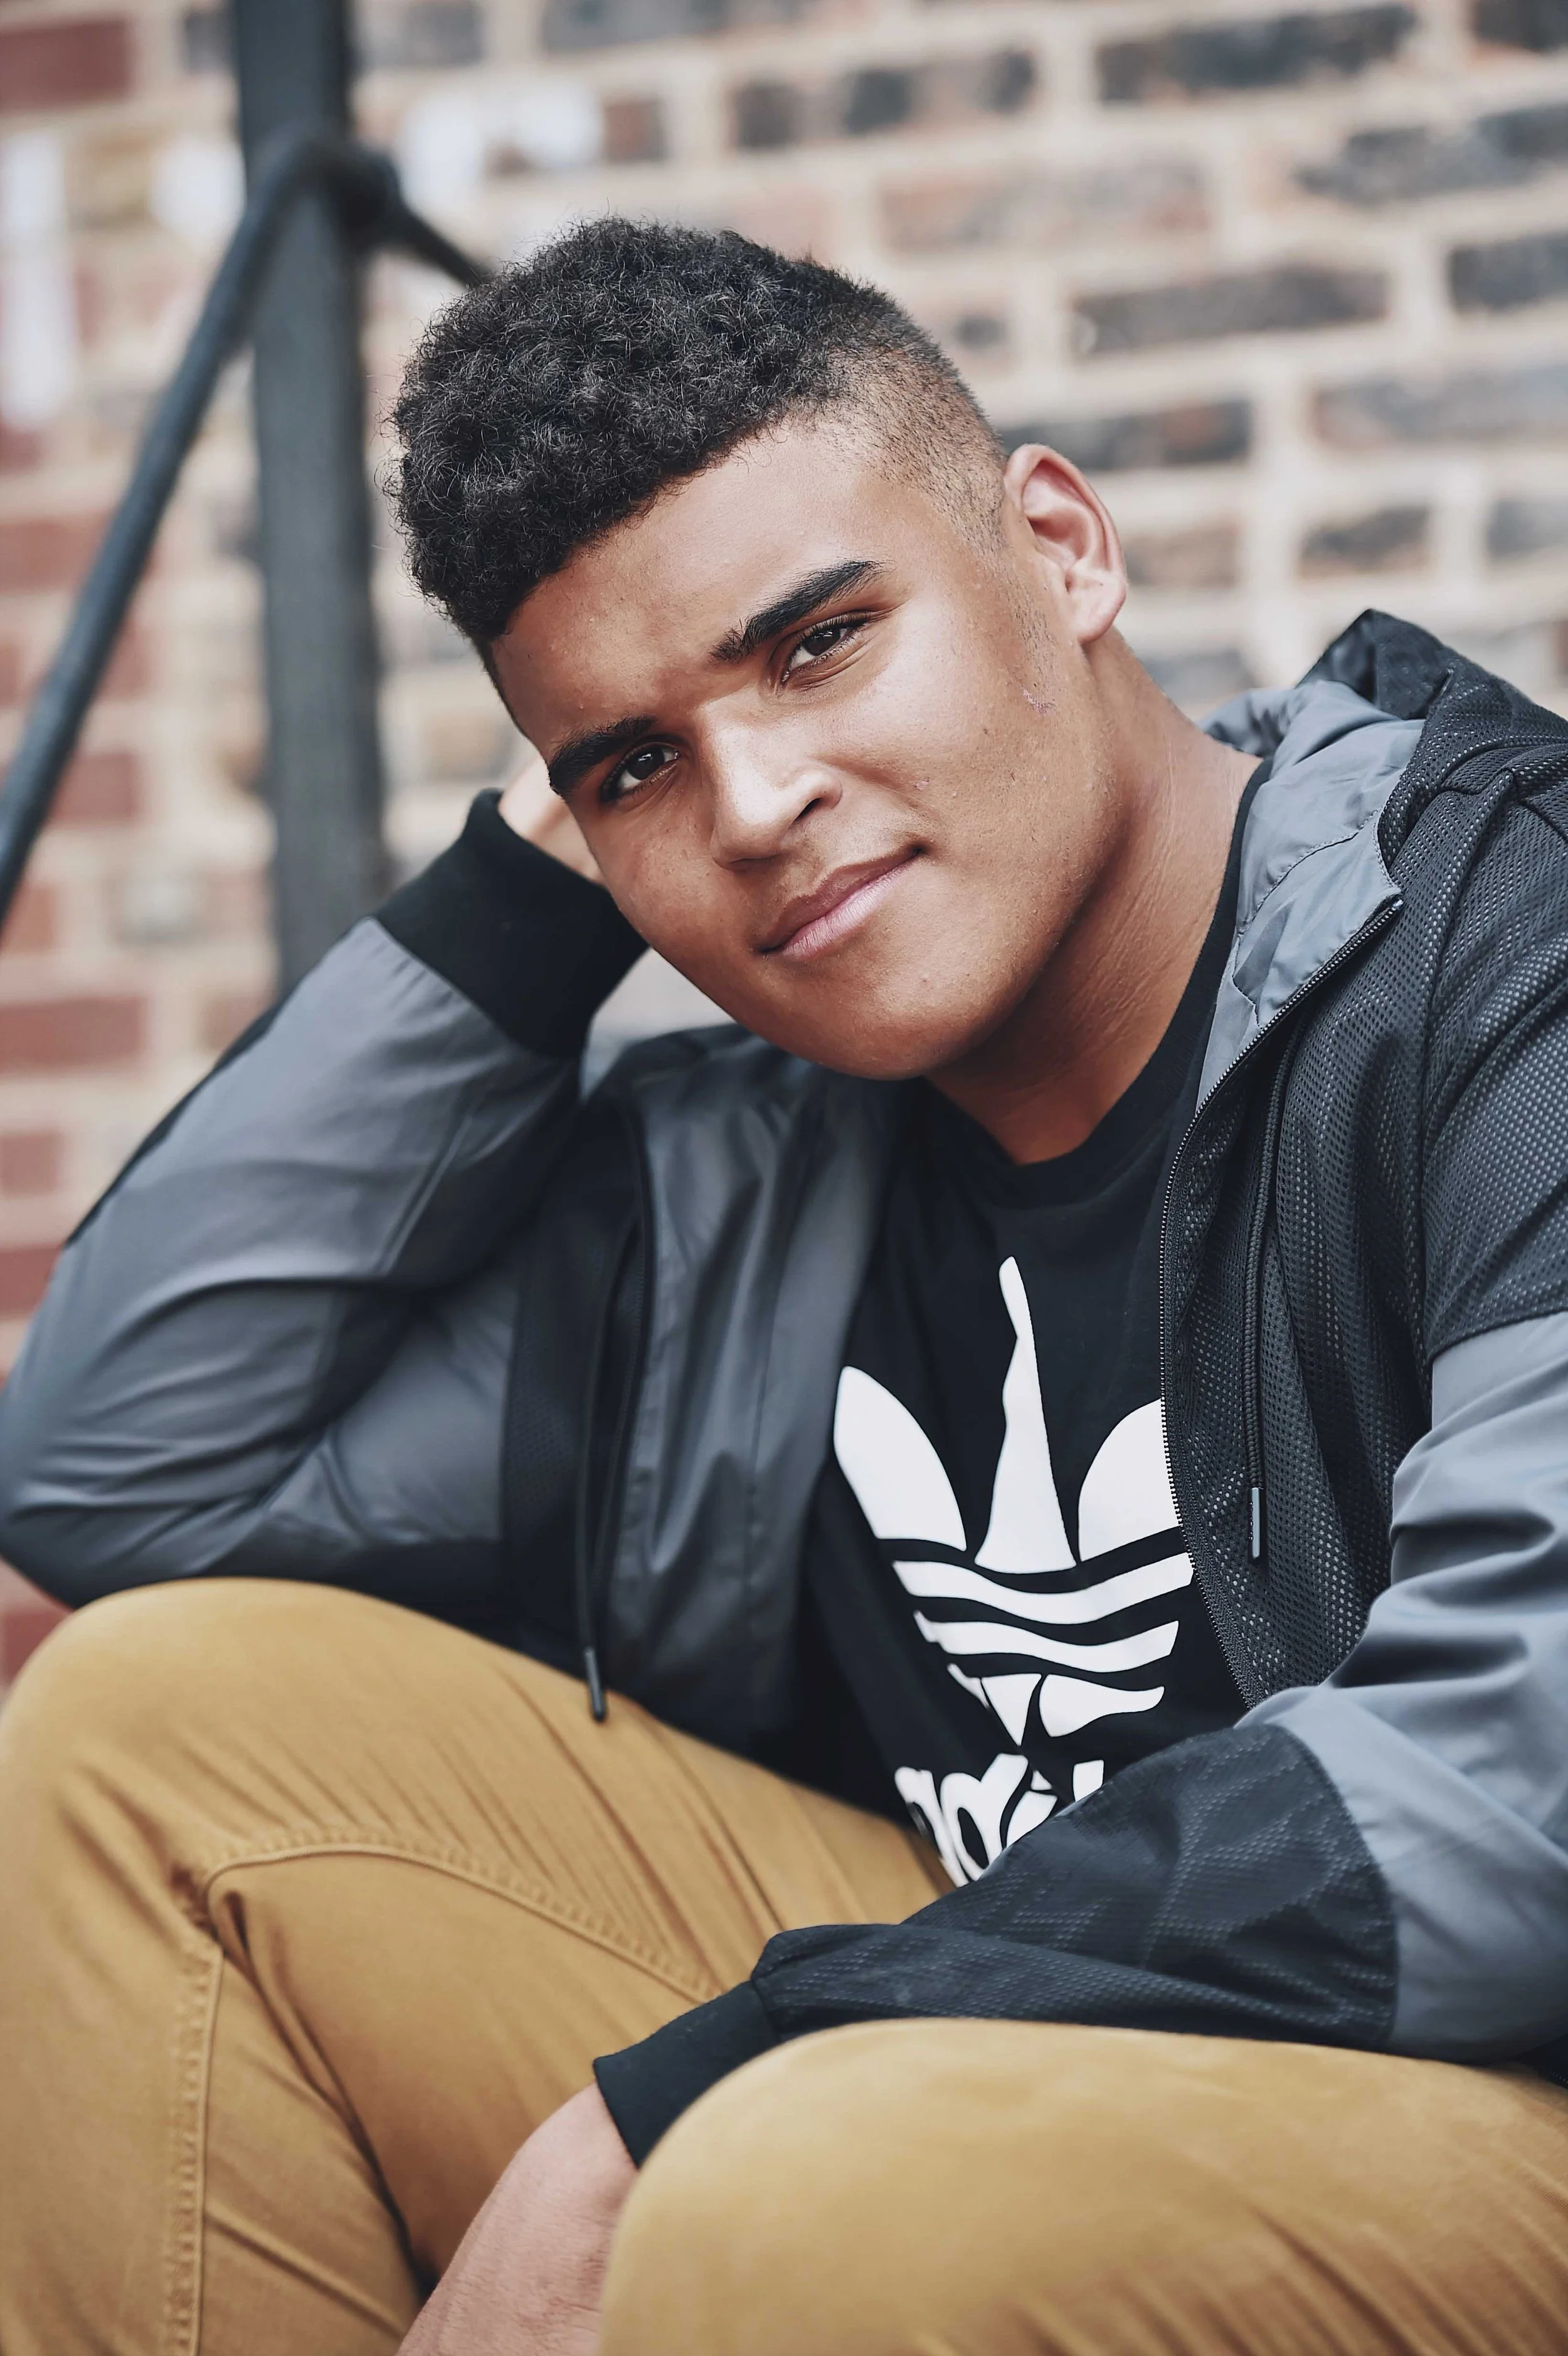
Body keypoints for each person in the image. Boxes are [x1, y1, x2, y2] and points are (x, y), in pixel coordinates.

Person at [1, 218, 1567, 2356]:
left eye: (818, 642)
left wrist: (693, 2084)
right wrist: (537, 889)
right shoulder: (739, 1176)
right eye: (632, 763)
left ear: (1059, 546)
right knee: (134, 1735)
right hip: (978, 2018)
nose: (752, 807)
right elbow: (115, 1467)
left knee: (793, 2174)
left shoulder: (1502, 947)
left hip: (1477, 2086)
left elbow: (1523, 1786)